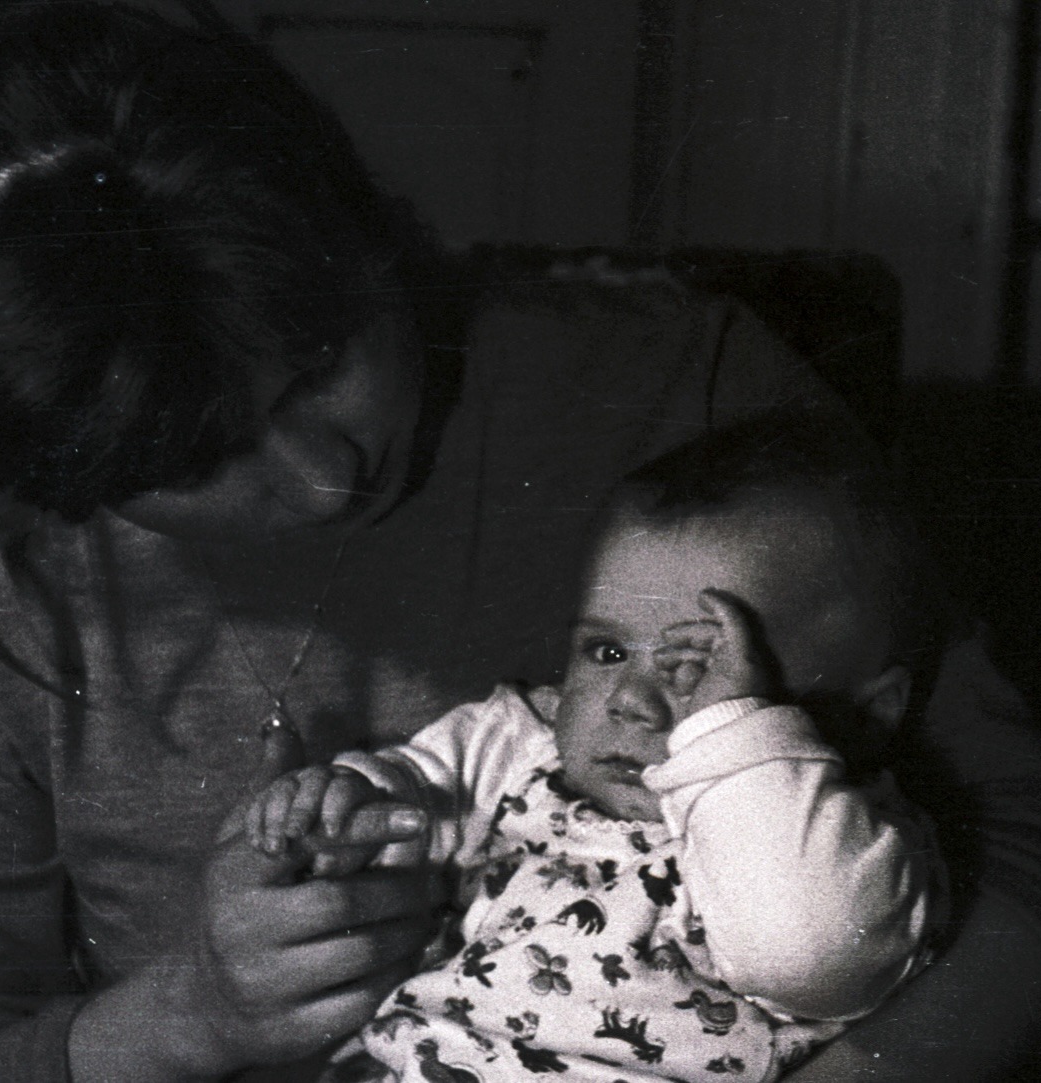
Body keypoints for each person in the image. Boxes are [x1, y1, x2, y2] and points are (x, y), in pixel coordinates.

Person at [0, 5, 1041, 1082]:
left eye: (321, 359)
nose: (326, 477)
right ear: (63, 483)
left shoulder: (682, 386)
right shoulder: (8, 588)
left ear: (374, 231)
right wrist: (188, 1015)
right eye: (200, 458)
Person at [248, 416, 947, 1081]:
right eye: (607, 650)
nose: (630, 699)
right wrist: (351, 802)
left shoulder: (843, 854)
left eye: (699, 667)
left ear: (868, 713)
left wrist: (730, 743)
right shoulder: (526, 744)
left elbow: (806, 958)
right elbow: (423, 790)